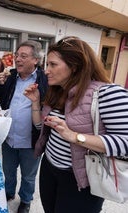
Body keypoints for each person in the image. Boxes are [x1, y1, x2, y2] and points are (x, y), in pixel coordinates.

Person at [24, 36, 128, 213]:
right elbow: (41, 128)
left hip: (81, 180)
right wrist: (35, 103)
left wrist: (75, 136)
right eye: (46, 64)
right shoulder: (57, 91)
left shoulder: (107, 94)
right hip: (49, 168)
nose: (46, 70)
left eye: (53, 65)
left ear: (75, 65)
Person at [0, 40, 48, 213]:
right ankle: (8, 192)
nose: (18, 59)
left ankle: (26, 200)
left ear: (36, 60)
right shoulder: (9, 75)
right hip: (9, 138)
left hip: (31, 140)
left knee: (29, 176)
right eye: (17, 56)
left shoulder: (45, 79)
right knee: (8, 170)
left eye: (23, 56)